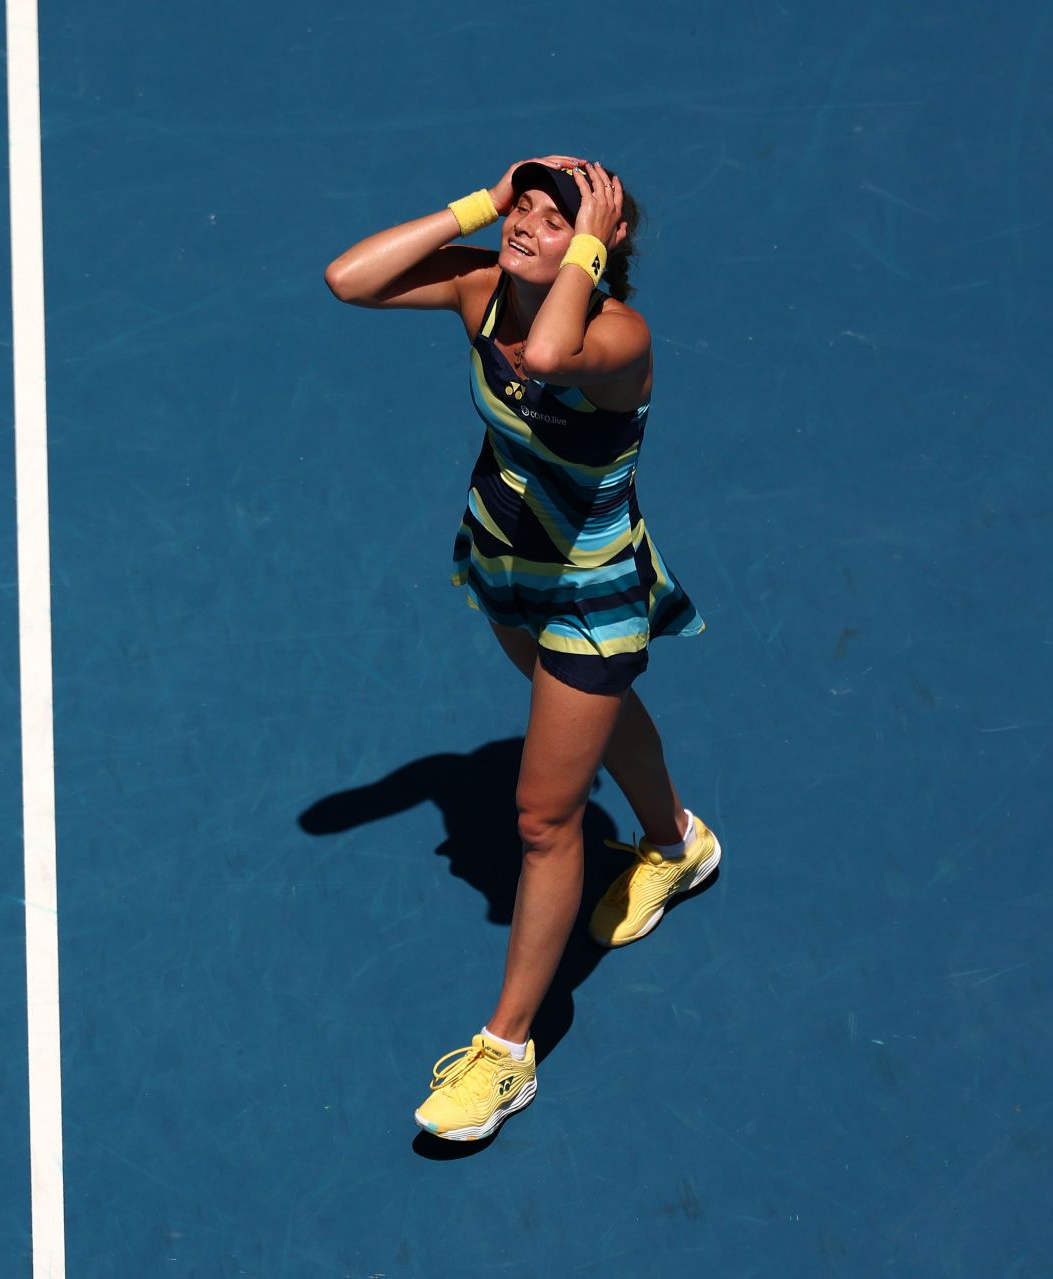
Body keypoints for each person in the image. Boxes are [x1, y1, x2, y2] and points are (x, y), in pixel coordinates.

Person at [323, 157, 721, 1142]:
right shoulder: (481, 286)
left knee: (545, 819)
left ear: (602, 247)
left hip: (591, 593)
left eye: (555, 220)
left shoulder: (617, 336)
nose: (526, 228)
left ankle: (507, 1055)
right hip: (506, 562)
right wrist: (480, 204)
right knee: (596, 721)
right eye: (524, 211)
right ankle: (678, 841)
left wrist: (579, 241)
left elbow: (546, 354)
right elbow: (351, 279)